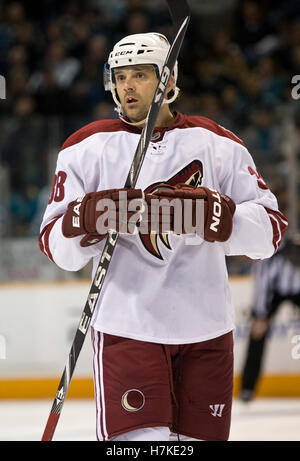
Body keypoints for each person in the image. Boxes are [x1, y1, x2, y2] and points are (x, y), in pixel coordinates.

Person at [39, 32, 288, 441]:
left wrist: (221, 218)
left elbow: (271, 233)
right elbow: (57, 249)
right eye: (120, 77)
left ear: (169, 81)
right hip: (127, 329)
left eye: (140, 75)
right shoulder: (85, 147)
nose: (128, 86)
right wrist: (82, 220)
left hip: (207, 331)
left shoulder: (219, 143)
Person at [240, 235, 300, 403]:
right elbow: (263, 285)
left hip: (294, 288)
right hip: (274, 292)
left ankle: (247, 388)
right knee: (257, 335)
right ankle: (247, 388)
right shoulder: (266, 254)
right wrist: (260, 315)